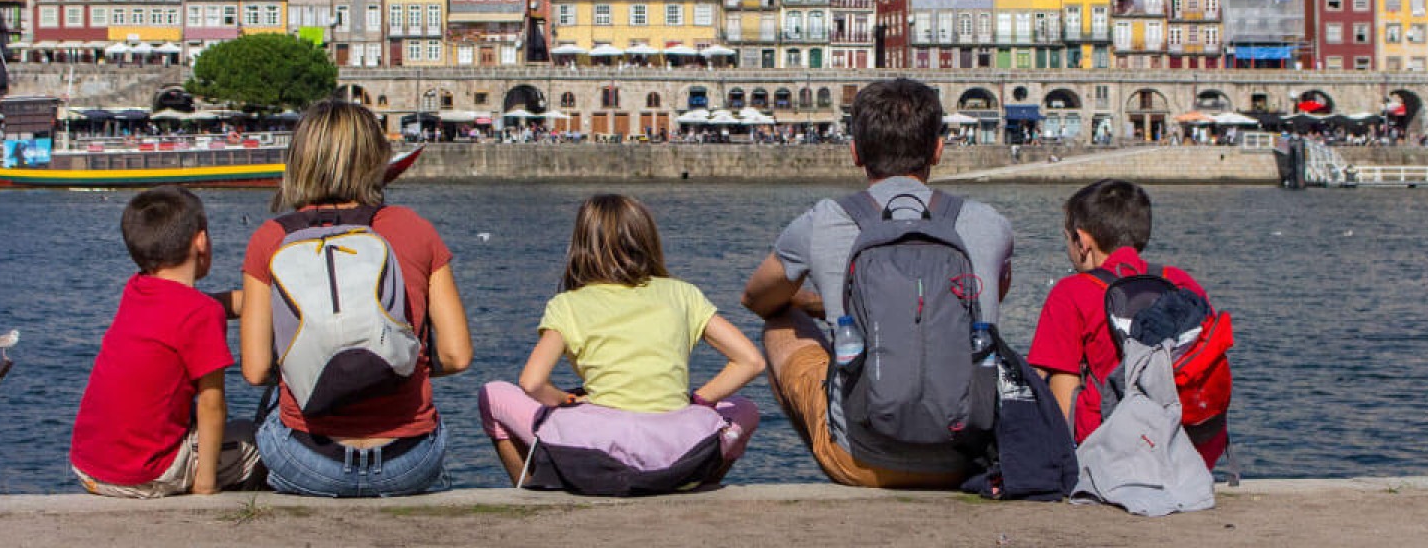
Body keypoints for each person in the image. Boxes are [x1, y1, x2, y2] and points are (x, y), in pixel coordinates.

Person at [741, 78, 1014, 487]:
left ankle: (836, 440)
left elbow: (757, 298)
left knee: (778, 324)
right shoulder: (991, 225)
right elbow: (989, 303)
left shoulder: (825, 220)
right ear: (938, 150)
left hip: (860, 463)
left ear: (855, 153)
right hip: (966, 458)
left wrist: (821, 304)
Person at [241, 99, 473, 497]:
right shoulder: (414, 229)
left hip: (310, 462)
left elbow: (256, 369)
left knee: (262, 415)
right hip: (407, 463)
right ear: (376, 159)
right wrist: (386, 369)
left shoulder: (270, 238)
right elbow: (456, 356)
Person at [477, 194, 763, 490]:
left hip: (596, 447)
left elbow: (532, 383)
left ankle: (530, 490)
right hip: (678, 445)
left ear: (581, 246)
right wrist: (700, 401)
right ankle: (695, 483)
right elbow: (751, 361)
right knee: (746, 409)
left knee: (493, 394)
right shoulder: (684, 294)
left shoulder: (568, 304)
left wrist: (564, 400)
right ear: (647, 240)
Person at [70, 186, 264, 497]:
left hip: (89, 468)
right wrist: (205, 483)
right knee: (260, 438)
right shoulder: (201, 315)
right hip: (144, 475)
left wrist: (264, 299)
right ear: (201, 241)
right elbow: (213, 406)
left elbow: (201, 307)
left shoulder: (137, 289)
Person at [1027, 178, 1224, 466]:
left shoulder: (1071, 292)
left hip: (1108, 454)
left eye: (1067, 238)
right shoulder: (1181, 282)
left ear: (1082, 242)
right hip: (1189, 450)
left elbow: (1049, 388)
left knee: (1056, 371)